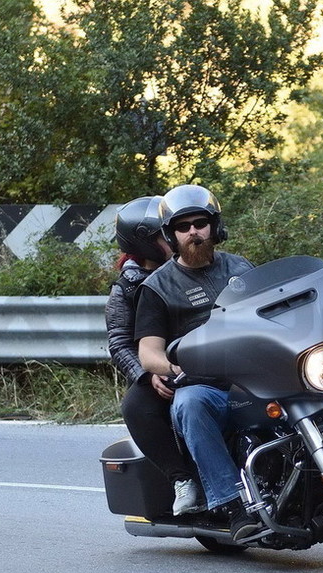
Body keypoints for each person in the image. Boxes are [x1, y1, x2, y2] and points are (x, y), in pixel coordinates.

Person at [134, 184, 263, 542]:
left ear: (214, 226)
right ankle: (232, 505)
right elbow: (148, 352)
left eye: (200, 223)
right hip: (206, 386)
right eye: (183, 226)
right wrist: (173, 369)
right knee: (190, 404)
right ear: (171, 236)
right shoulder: (158, 286)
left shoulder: (241, 267)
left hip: (256, 376)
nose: (193, 231)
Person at [105, 195, 203, 515]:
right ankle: (182, 479)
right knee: (136, 407)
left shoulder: (195, 268)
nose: (174, 237)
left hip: (209, 355)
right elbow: (120, 342)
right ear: (143, 241)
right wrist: (147, 374)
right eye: (165, 233)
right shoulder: (126, 288)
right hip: (163, 366)